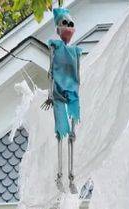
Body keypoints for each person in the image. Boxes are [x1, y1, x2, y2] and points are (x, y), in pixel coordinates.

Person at [45, 6, 83, 192]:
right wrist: (51, 94)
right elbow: (51, 71)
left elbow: (78, 75)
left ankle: (71, 176)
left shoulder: (76, 51)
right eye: (64, 23)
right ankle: (60, 175)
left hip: (73, 93)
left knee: (72, 135)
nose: (67, 27)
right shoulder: (55, 46)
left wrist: (77, 90)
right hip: (59, 93)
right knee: (61, 132)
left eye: (70, 24)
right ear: (58, 28)